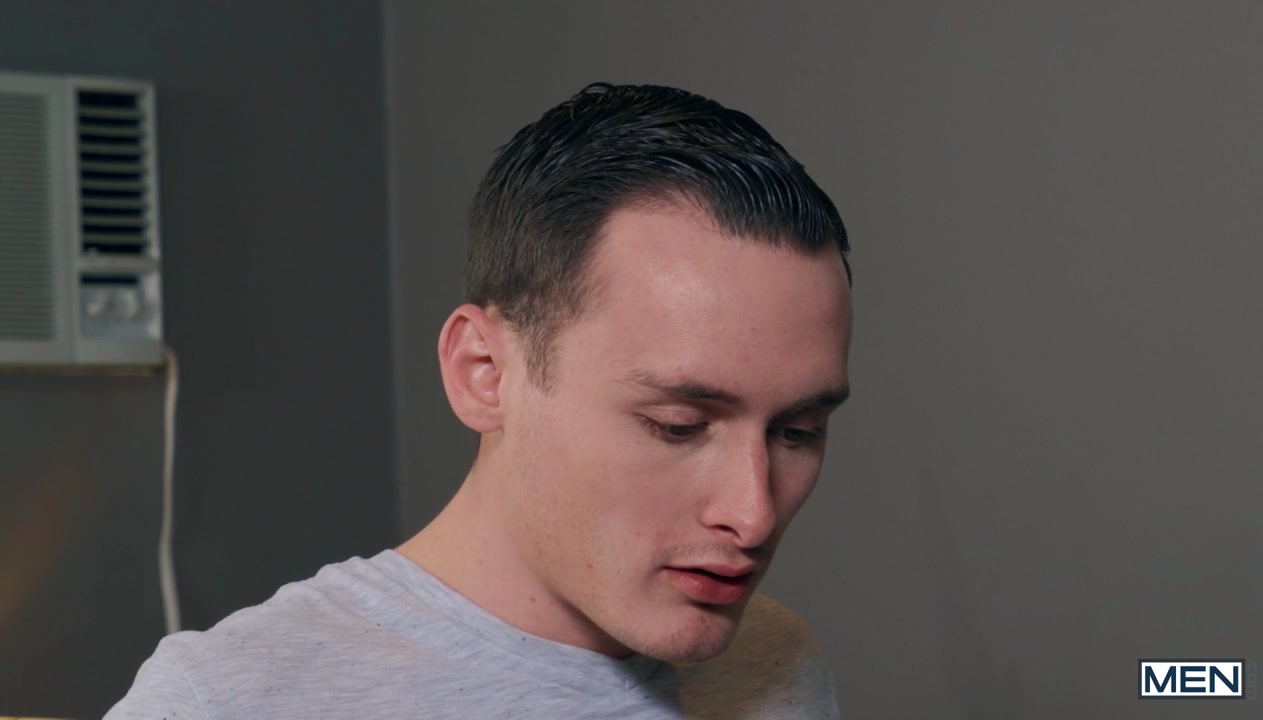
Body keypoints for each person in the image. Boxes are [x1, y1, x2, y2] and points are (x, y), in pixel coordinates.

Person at [107, 82, 852, 719]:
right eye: (677, 426)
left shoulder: (775, 664)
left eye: (798, 431)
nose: (753, 515)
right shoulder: (227, 700)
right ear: (484, 373)